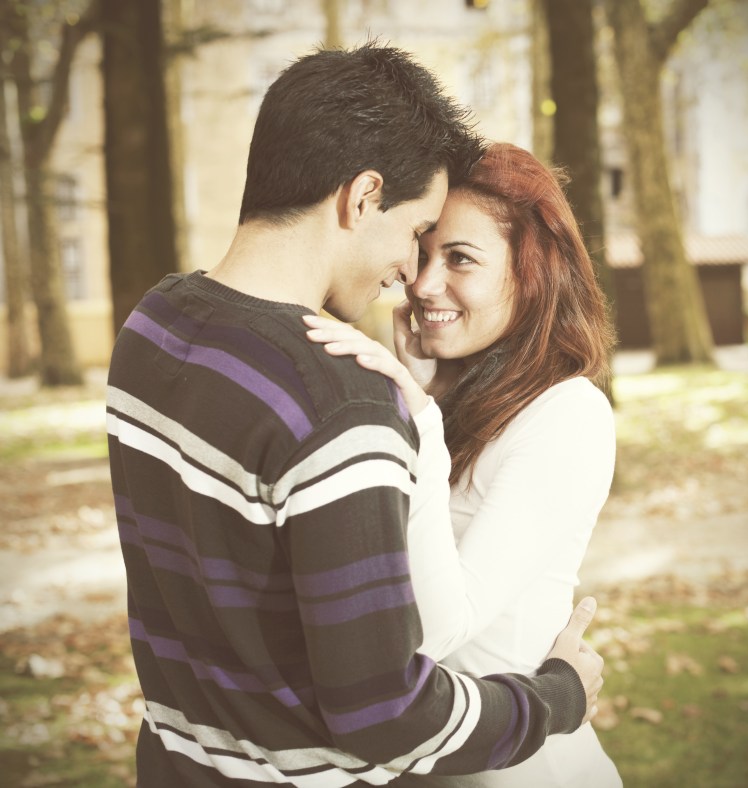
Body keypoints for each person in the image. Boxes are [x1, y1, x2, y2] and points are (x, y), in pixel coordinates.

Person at [106, 44, 604, 787]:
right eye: (415, 235)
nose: (412, 275)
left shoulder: (152, 325)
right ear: (362, 196)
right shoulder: (344, 406)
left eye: (455, 256)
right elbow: (387, 717)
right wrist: (559, 696)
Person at [305, 141, 621, 787]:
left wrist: (415, 415)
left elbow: (438, 628)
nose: (423, 283)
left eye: (461, 259)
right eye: (423, 251)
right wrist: (413, 403)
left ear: (531, 271)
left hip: (521, 769)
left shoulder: (567, 414)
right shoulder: (434, 400)